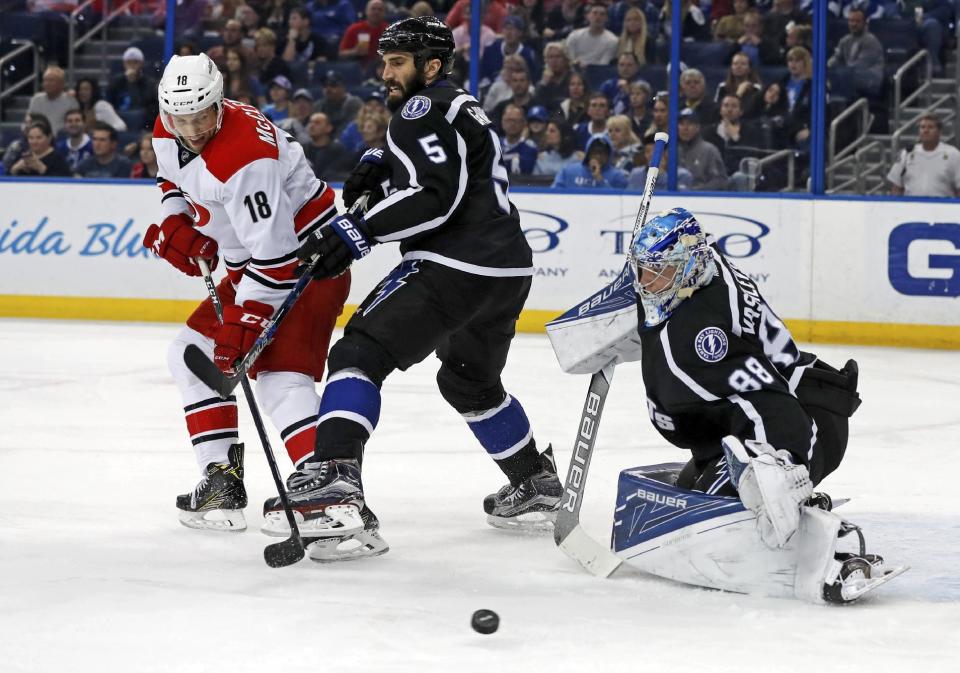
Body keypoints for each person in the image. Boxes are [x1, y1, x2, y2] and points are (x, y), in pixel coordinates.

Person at [287, 16, 561, 561]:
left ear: (430, 66)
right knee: (470, 383)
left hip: (454, 263)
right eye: (384, 61)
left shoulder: (421, 108)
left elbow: (437, 196)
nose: (385, 72)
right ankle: (533, 480)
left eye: (397, 63)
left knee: (357, 354)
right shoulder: (455, 106)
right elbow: (452, 173)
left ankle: (338, 483)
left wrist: (358, 230)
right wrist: (384, 165)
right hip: (505, 271)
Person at [619, 207, 892, 603]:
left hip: (805, 417)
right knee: (690, 486)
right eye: (641, 269)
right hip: (790, 398)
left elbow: (770, 403)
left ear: (689, 266)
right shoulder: (710, 269)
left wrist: (783, 465)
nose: (644, 283)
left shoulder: (699, 335)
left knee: (724, 497)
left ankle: (833, 547)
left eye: (656, 271)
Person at [141, 53, 349, 532]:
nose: (190, 130)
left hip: (308, 265)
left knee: (280, 380)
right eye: (181, 119)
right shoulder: (170, 121)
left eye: (200, 118)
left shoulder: (245, 159)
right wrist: (178, 218)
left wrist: (246, 321)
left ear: (219, 104)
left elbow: (277, 259)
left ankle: (330, 492)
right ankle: (222, 481)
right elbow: (171, 176)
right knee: (191, 354)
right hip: (256, 265)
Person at [886, 113, 960, 197]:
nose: (925, 130)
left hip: (942, 208)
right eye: (922, 127)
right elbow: (896, 186)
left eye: (930, 127)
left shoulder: (953, 154)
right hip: (910, 207)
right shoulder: (907, 153)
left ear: (939, 132)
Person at [827, 8, 884, 98]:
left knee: (841, 76)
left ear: (865, 23)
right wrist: (827, 68)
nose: (853, 24)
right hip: (849, 77)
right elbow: (836, 58)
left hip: (870, 79)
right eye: (851, 21)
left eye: (857, 21)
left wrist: (840, 73)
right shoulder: (845, 40)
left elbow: (860, 66)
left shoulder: (871, 41)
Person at [478, 15, 539, 90]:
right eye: (506, 29)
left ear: (520, 33)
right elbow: (482, 75)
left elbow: (533, 79)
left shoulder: (528, 54)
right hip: (493, 91)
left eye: (513, 29)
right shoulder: (491, 50)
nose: (509, 33)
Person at [677, 107, 729, 191]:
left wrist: (695, 191)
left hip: (702, 199)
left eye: (690, 124)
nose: (685, 128)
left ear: (698, 127)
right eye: (682, 124)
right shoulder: (671, 151)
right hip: (673, 199)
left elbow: (720, 181)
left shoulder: (710, 150)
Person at [106, 46, 159, 126]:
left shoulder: (149, 83)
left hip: (141, 120)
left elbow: (139, 105)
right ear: (124, 64)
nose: (132, 65)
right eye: (129, 62)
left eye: (135, 62)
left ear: (141, 63)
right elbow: (109, 102)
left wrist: (132, 82)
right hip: (118, 118)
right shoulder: (116, 81)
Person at [552, 133, 628, 188]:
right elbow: (554, 194)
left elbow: (619, 203)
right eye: (594, 152)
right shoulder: (568, 171)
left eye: (602, 152)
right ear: (588, 153)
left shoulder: (618, 177)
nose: (598, 156)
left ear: (608, 154)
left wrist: (599, 180)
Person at [627, 133, 693, 190]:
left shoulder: (682, 175)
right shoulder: (635, 174)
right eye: (647, 151)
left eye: (655, 151)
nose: (651, 155)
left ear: (667, 153)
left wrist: (661, 175)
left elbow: (682, 198)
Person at [26, 66, 78, 136]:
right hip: (38, 138)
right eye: (45, 80)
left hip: (62, 139)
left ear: (61, 84)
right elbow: (29, 119)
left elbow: (75, 125)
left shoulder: (70, 101)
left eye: (51, 80)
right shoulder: (36, 99)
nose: (47, 83)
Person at [338, 0, 389, 69]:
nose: (376, 12)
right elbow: (341, 54)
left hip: (382, 68)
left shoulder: (390, 30)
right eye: (373, 9)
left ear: (384, 13)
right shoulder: (354, 29)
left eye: (380, 10)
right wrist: (355, 51)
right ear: (366, 11)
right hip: (357, 67)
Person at [565, 3, 619, 67]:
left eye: (602, 14)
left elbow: (603, 65)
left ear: (606, 18)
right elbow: (570, 58)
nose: (598, 17)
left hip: (598, 73)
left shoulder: (612, 40)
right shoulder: (574, 36)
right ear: (587, 16)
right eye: (594, 13)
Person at [302, 111, 350, 180]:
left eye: (317, 123)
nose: (311, 126)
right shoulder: (302, 149)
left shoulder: (338, 151)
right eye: (310, 122)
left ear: (329, 128)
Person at [715, 51, 763, 119]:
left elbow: (750, 111)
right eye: (735, 63)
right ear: (731, 67)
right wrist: (739, 93)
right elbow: (717, 110)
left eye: (743, 64)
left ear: (749, 69)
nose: (738, 66)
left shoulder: (756, 89)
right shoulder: (722, 87)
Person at [500, 103, 539, 175]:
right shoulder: (494, 144)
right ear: (502, 122)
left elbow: (526, 169)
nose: (512, 124)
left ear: (524, 123)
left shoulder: (530, 147)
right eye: (508, 120)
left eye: (516, 121)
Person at [535, 41, 573, 112]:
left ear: (565, 59)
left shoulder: (573, 79)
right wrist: (543, 84)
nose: (554, 61)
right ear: (546, 60)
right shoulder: (543, 82)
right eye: (550, 57)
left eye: (558, 56)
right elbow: (537, 104)